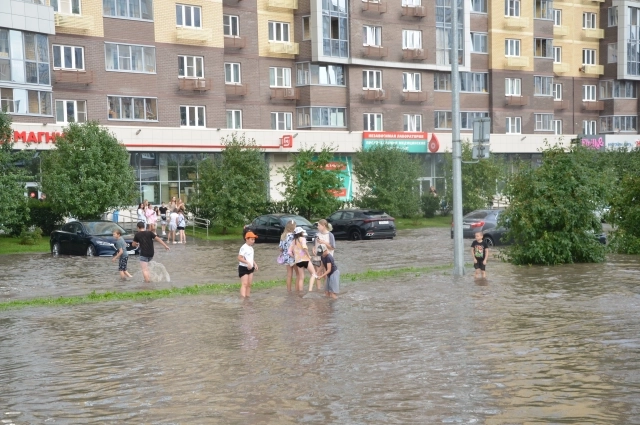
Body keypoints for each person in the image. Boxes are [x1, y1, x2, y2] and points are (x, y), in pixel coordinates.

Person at [290, 227, 317, 292]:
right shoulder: (302, 239)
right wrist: (309, 255)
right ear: (301, 233)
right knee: (314, 273)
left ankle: (300, 292)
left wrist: (294, 257)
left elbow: (289, 252)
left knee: (301, 278)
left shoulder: (294, 241)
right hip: (305, 259)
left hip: (298, 261)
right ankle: (310, 290)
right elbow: (305, 248)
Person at [314, 219, 336, 290]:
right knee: (317, 274)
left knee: (325, 275)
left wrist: (324, 242)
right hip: (317, 258)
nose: (317, 227)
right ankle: (318, 290)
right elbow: (314, 245)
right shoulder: (317, 234)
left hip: (327, 258)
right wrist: (313, 249)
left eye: (319, 225)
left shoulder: (330, 235)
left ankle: (326, 290)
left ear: (323, 226)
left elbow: (332, 247)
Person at [278, 219, 299, 292]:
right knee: (298, 274)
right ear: (293, 227)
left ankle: (289, 291)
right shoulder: (294, 236)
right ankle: (297, 291)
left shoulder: (283, 236)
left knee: (289, 275)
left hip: (286, 258)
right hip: (294, 257)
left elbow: (280, 248)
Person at [238, 231, 259, 298]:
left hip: (251, 268)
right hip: (243, 267)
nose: (253, 241)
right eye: (252, 239)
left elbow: (250, 258)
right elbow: (239, 257)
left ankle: (247, 297)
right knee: (244, 284)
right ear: (247, 239)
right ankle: (243, 298)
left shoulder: (251, 248)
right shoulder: (244, 247)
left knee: (249, 284)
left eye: (254, 239)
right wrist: (247, 263)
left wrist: (255, 264)